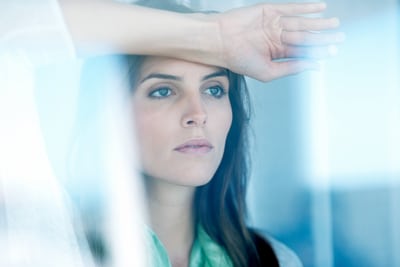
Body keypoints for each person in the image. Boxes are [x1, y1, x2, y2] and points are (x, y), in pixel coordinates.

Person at [78, 1, 342, 266]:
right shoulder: (58, 253)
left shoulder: (274, 260)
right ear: (108, 115)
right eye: (163, 91)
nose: (198, 113)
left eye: (214, 89)